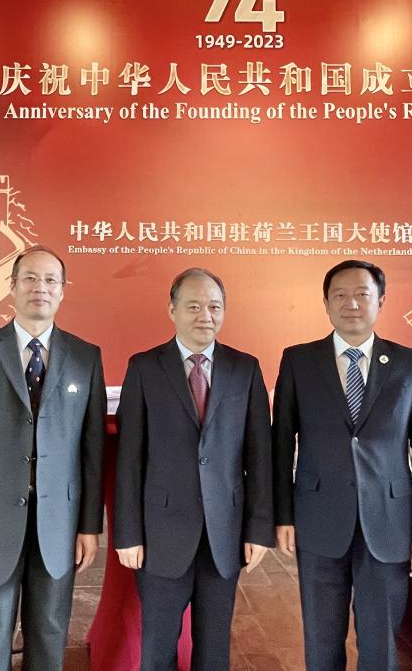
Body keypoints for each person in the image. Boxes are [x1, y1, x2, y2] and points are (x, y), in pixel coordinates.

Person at [272, 259, 412, 671]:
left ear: (380, 301)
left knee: (380, 644)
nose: (351, 304)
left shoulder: (410, 363)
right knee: (321, 640)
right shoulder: (299, 360)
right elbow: (280, 445)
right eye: (340, 295)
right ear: (326, 303)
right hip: (318, 519)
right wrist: (283, 516)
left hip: (389, 522)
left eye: (362, 295)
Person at [0, 245, 106, 671]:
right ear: (12, 286)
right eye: (30, 278)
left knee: (50, 632)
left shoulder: (86, 357)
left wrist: (89, 525)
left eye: (51, 280)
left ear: (63, 290)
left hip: (59, 522)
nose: (41, 287)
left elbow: (91, 451)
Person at [114, 267, 273, 671]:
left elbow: (259, 456)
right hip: (161, 536)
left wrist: (258, 529)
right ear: (172, 310)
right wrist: (128, 534)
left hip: (225, 535)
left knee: (214, 650)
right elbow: (130, 458)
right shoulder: (145, 367)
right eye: (194, 306)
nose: (206, 315)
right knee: (158, 650)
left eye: (215, 307)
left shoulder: (245, 368)